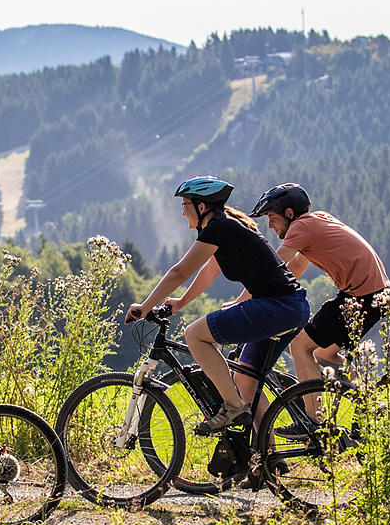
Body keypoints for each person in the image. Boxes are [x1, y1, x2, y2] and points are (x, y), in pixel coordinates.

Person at [126, 177, 309, 434]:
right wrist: (180, 302)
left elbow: (180, 272)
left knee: (194, 335)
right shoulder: (226, 226)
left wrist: (145, 306)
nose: (182, 211)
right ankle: (267, 455)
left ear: (202, 207)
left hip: (276, 307)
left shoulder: (219, 228)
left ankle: (233, 407)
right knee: (246, 381)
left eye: (186, 204)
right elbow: (209, 270)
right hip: (291, 307)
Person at [247, 182, 390, 401]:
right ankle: (366, 400)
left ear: (289, 213)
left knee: (299, 346)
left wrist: (245, 300)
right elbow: (296, 266)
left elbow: (273, 267)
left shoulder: (300, 227)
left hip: (360, 296)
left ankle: (314, 417)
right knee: (321, 352)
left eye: (272, 217)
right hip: (377, 295)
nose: (270, 225)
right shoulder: (318, 220)